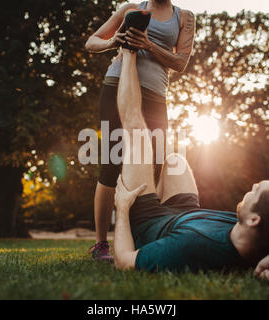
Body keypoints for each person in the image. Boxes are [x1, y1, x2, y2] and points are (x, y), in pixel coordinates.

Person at [112, 47, 269, 279]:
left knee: (137, 131)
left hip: (150, 223)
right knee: (175, 159)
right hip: (187, 215)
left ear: (254, 220)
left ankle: (128, 53)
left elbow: (124, 263)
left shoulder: (192, 248)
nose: (257, 183)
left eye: (261, 188)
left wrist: (122, 208)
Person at [85, 0, 196, 262]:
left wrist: (147, 45)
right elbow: (91, 42)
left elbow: (180, 62)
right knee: (111, 164)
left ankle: (144, 234)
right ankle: (101, 245)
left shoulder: (185, 18)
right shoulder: (130, 8)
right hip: (116, 85)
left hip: (156, 95)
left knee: (155, 165)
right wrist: (114, 42)